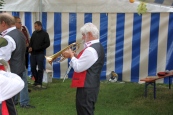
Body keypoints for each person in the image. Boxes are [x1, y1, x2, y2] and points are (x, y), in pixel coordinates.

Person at [62, 22, 105, 115]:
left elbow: (78, 67)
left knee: (84, 111)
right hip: (92, 85)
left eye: (83, 35)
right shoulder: (98, 46)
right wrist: (75, 56)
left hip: (86, 87)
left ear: (89, 34)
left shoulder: (91, 50)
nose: (82, 37)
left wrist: (71, 56)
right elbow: (88, 63)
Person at [0, 13, 34, 113]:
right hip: (19, 66)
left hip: (11, 70)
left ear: (3, 23)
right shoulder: (19, 33)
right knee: (9, 100)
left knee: (7, 100)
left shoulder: (7, 38)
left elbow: (3, 58)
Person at [29, 21, 50, 88]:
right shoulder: (34, 33)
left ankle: (39, 82)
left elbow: (47, 43)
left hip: (40, 53)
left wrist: (40, 48)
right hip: (33, 54)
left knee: (40, 68)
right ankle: (36, 81)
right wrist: (30, 47)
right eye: (34, 26)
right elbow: (31, 42)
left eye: (36, 26)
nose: (35, 27)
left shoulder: (45, 34)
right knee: (32, 68)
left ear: (40, 26)